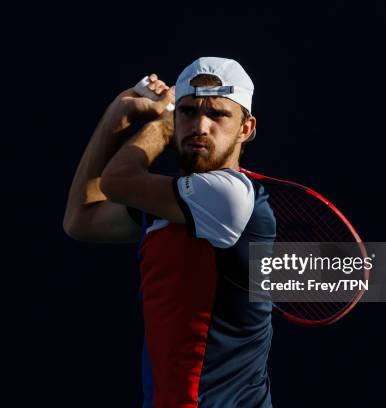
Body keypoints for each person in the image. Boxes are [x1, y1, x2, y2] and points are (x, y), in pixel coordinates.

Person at [64, 57, 276, 408]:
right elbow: (80, 219)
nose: (200, 126)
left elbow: (116, 181)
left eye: (219, 115)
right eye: (189, 112)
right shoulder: (169, 203)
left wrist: (163, 123)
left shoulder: (232, 196)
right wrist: (114, 117)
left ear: (245, 129)